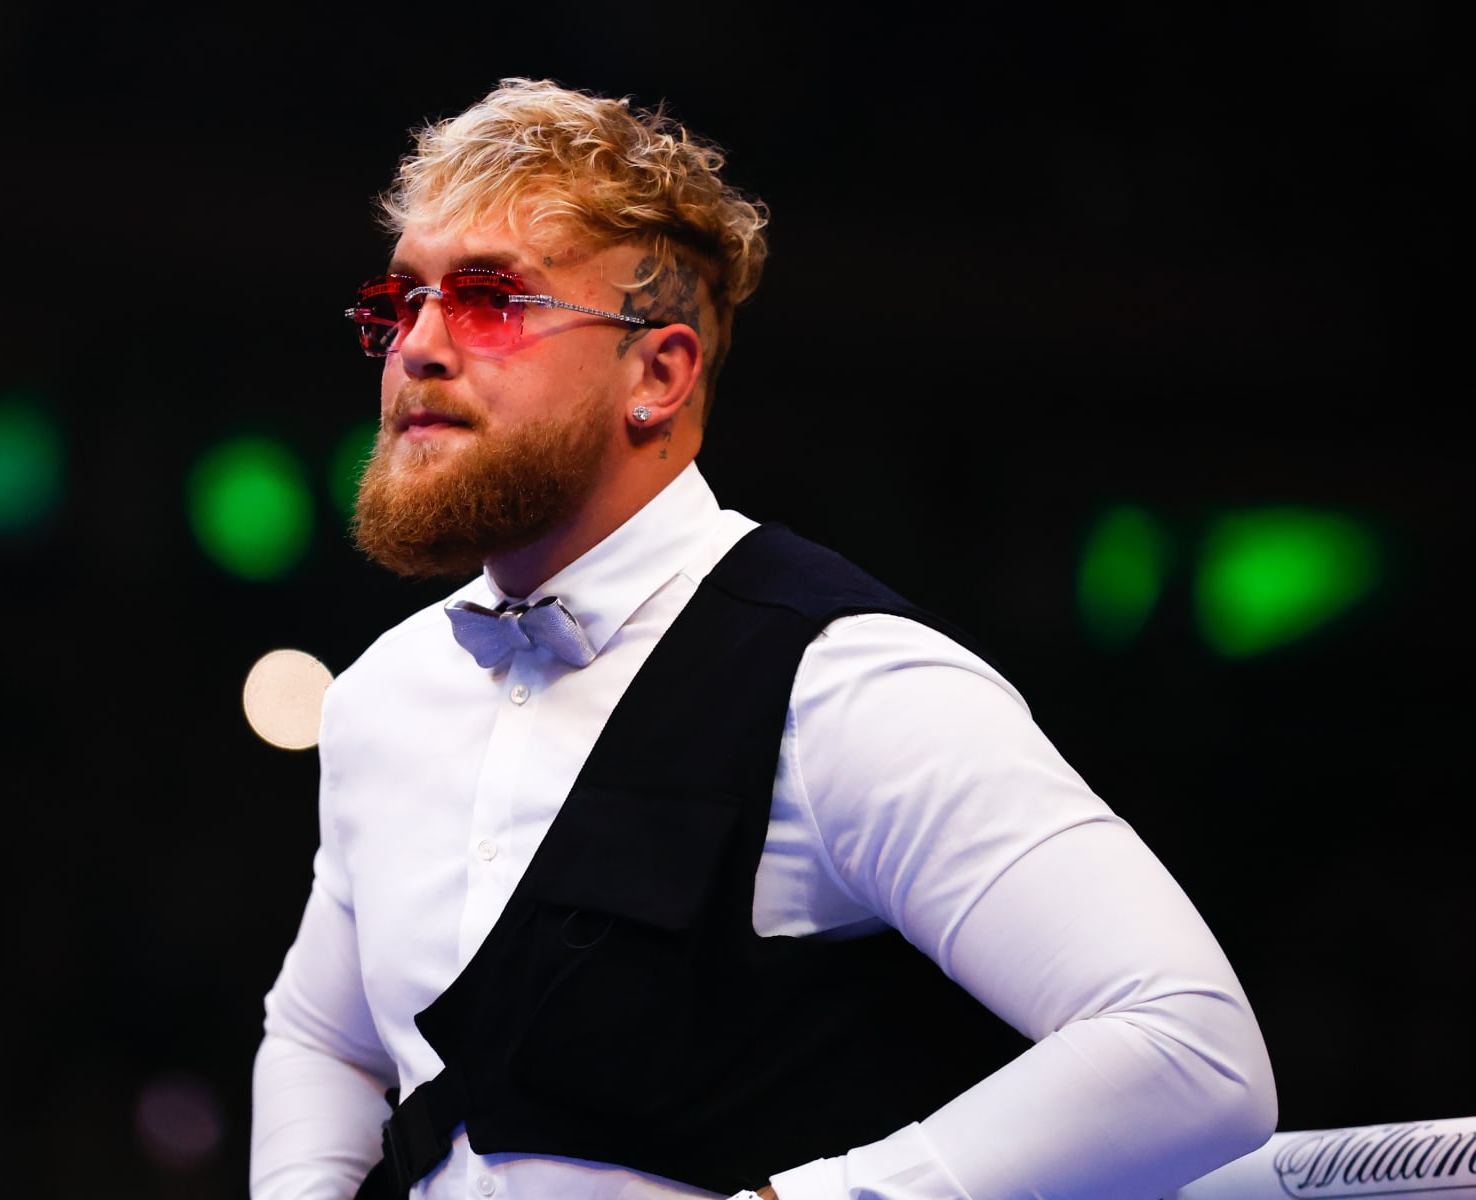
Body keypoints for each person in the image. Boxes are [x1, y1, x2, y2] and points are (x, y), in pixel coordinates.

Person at [251, 77, 1278, 1200]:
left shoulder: (843, 678)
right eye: (401, 302)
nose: (418, 346)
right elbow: (323, 1038)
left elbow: (1192, 1046)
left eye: (491, 300)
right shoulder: (385, 695)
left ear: (658, 373)